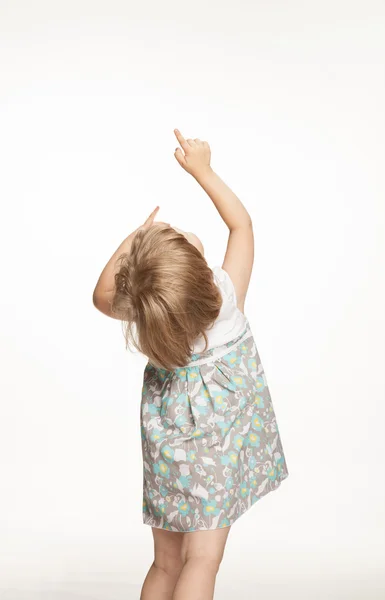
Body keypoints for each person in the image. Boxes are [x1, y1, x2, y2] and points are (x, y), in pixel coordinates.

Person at [92, 129, 289, 600]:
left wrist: (134, 241)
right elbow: (242, 227)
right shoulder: (225, 299)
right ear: (205, 278)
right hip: (217, 452)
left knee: (165, 562)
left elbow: (101, 297)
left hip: (170, 453)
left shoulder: (147, 316)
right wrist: (204, 171)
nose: (178, 230)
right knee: (203, 560)